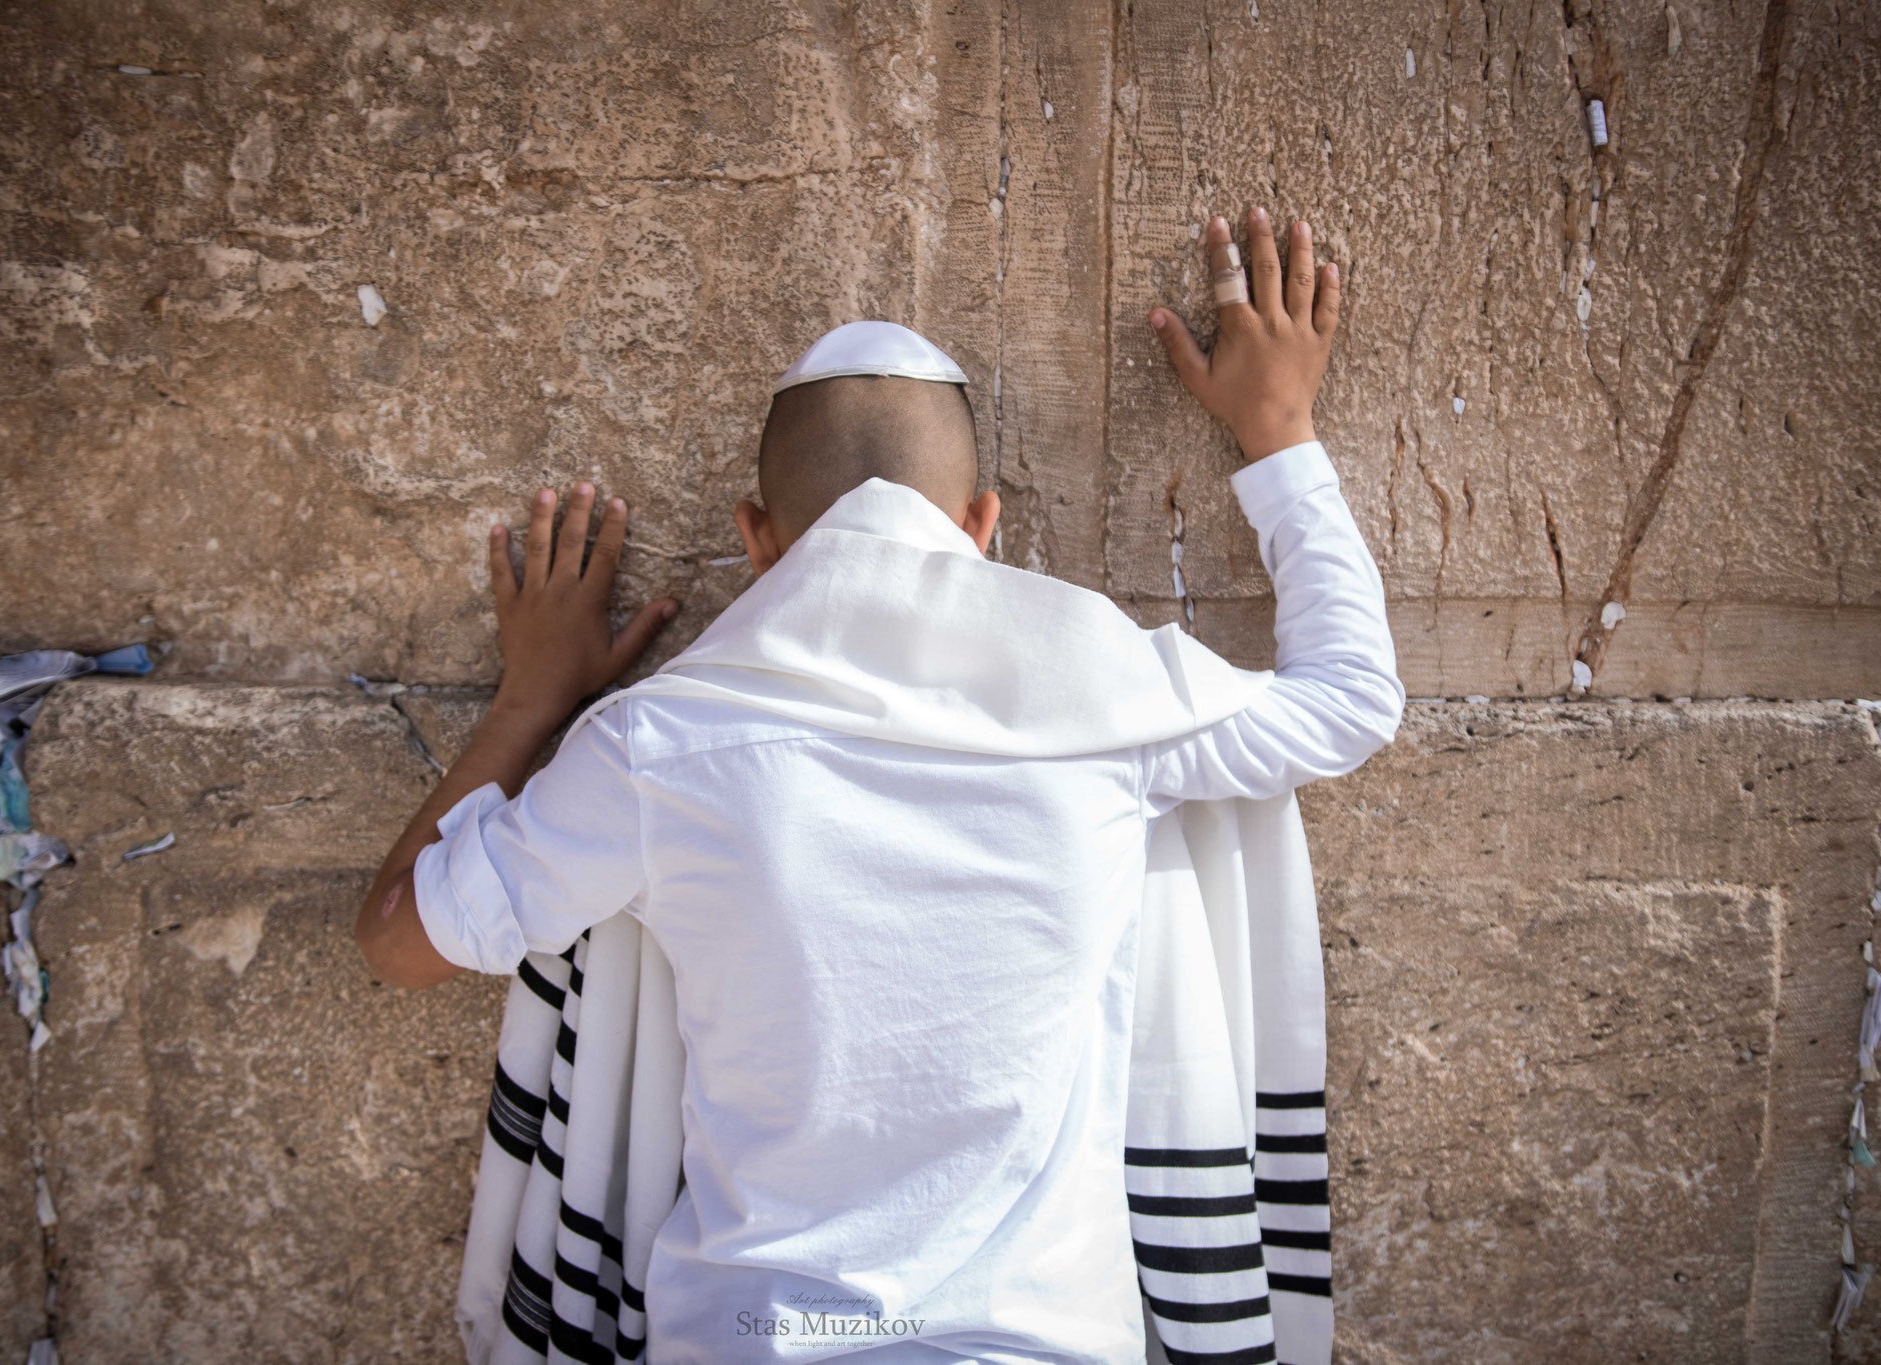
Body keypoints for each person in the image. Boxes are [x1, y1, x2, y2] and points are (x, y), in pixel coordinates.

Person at [354, 206, 1402, 1363]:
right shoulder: (1111, 697)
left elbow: (400, 940)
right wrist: (1277, 430)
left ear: (756, 537)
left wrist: (532, 700)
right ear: (981, 526)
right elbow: (1350, 701)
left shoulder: (656, 747)